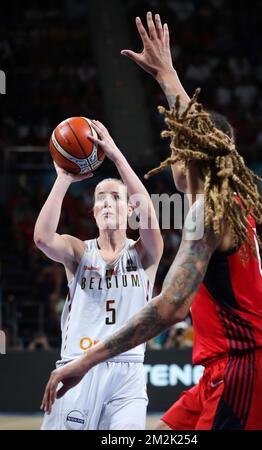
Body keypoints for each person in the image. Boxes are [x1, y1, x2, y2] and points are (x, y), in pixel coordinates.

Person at [41, 13, 262, 430]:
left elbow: (170, 307)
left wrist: (86, 360)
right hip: (218, 374)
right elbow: (202, 136)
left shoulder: (208, 213)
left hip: (244, 373)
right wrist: (167, 74)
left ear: (192, 157)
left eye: (176, 146)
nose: (171, 151)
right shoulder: (225, 202)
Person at [34, 120, 163, 430]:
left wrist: (116, 155)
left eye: (116, 197)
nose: (107, 202)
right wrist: (64, 178)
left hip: (127, 375)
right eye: (101, 197)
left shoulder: (145, 254)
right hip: (77, 367)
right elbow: (42, 238)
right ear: (93, 211)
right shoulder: (79, 253)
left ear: (128, 210)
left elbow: (147, 211)